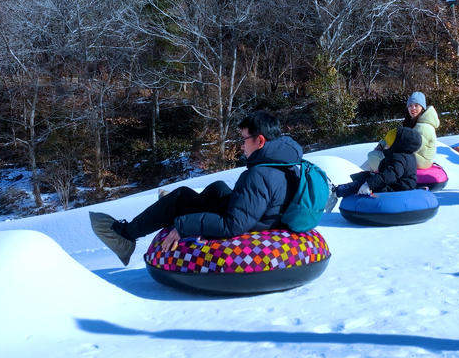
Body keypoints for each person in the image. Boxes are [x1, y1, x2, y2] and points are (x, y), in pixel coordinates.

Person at [89, 111, 302, 266]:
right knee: (218, 187)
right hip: (263, 215)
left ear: (260, 141)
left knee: (180, 197)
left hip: (254, 223)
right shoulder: (284, 162)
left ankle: (125, 237)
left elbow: (233, 226)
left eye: (244, 139)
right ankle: (174, 207)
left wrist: (184, 225)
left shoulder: (259, 174)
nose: (241, 145)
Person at [334, 126, 421, 197]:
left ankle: (337, 191)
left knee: (363, 182)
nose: (387, 144)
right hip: (396, 185)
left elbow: (389, 176)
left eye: (390, 142)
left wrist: (369, 184)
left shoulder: (399, 158)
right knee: (365, 175)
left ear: (398, 143)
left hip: (397, 189)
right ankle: (343, 187)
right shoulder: (407, 155)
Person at [366, 91, 439, 171]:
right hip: (417, 158)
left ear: (422, 107)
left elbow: (414, 147)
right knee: (377, 154)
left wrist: (390, 149)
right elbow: (400, 136)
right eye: (410, 106)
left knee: (373, 156)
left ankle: (373, 174)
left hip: (422, 161)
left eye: (416, 105)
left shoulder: (423, 127)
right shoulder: (414, 121)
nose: (413, 108)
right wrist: (383, 144)